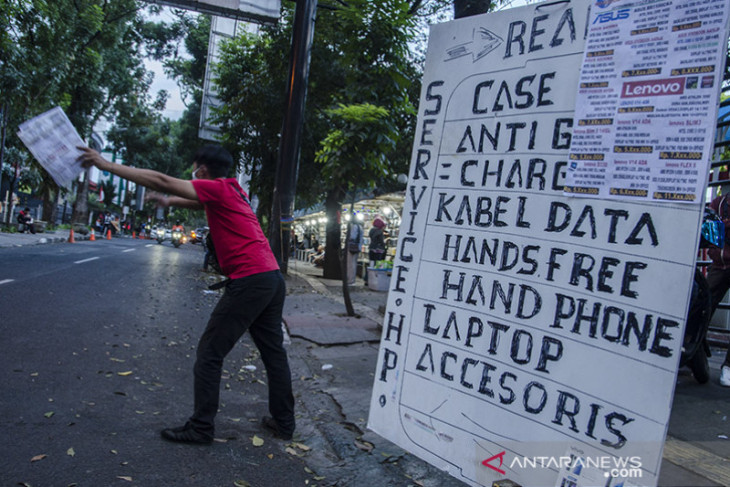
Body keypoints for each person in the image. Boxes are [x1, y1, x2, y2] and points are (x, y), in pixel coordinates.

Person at [77, 144, 295, 443]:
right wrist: (169, 202)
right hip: (271, 278)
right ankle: (285, 424)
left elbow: (162, 179)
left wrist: (105, 165)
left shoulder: (217, 189)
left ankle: (201, 428)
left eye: (195, 170)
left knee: (209, 354)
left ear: (202, 171)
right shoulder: (233, 190)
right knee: (273, 354)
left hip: (250, 280)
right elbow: (197, 202)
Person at [706, 194, 730, 386]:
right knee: (701, 305)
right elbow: (709, 227)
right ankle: (690, 353)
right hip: (719, 264)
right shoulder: (719, 202)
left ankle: (728, 366)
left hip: (721, 261)